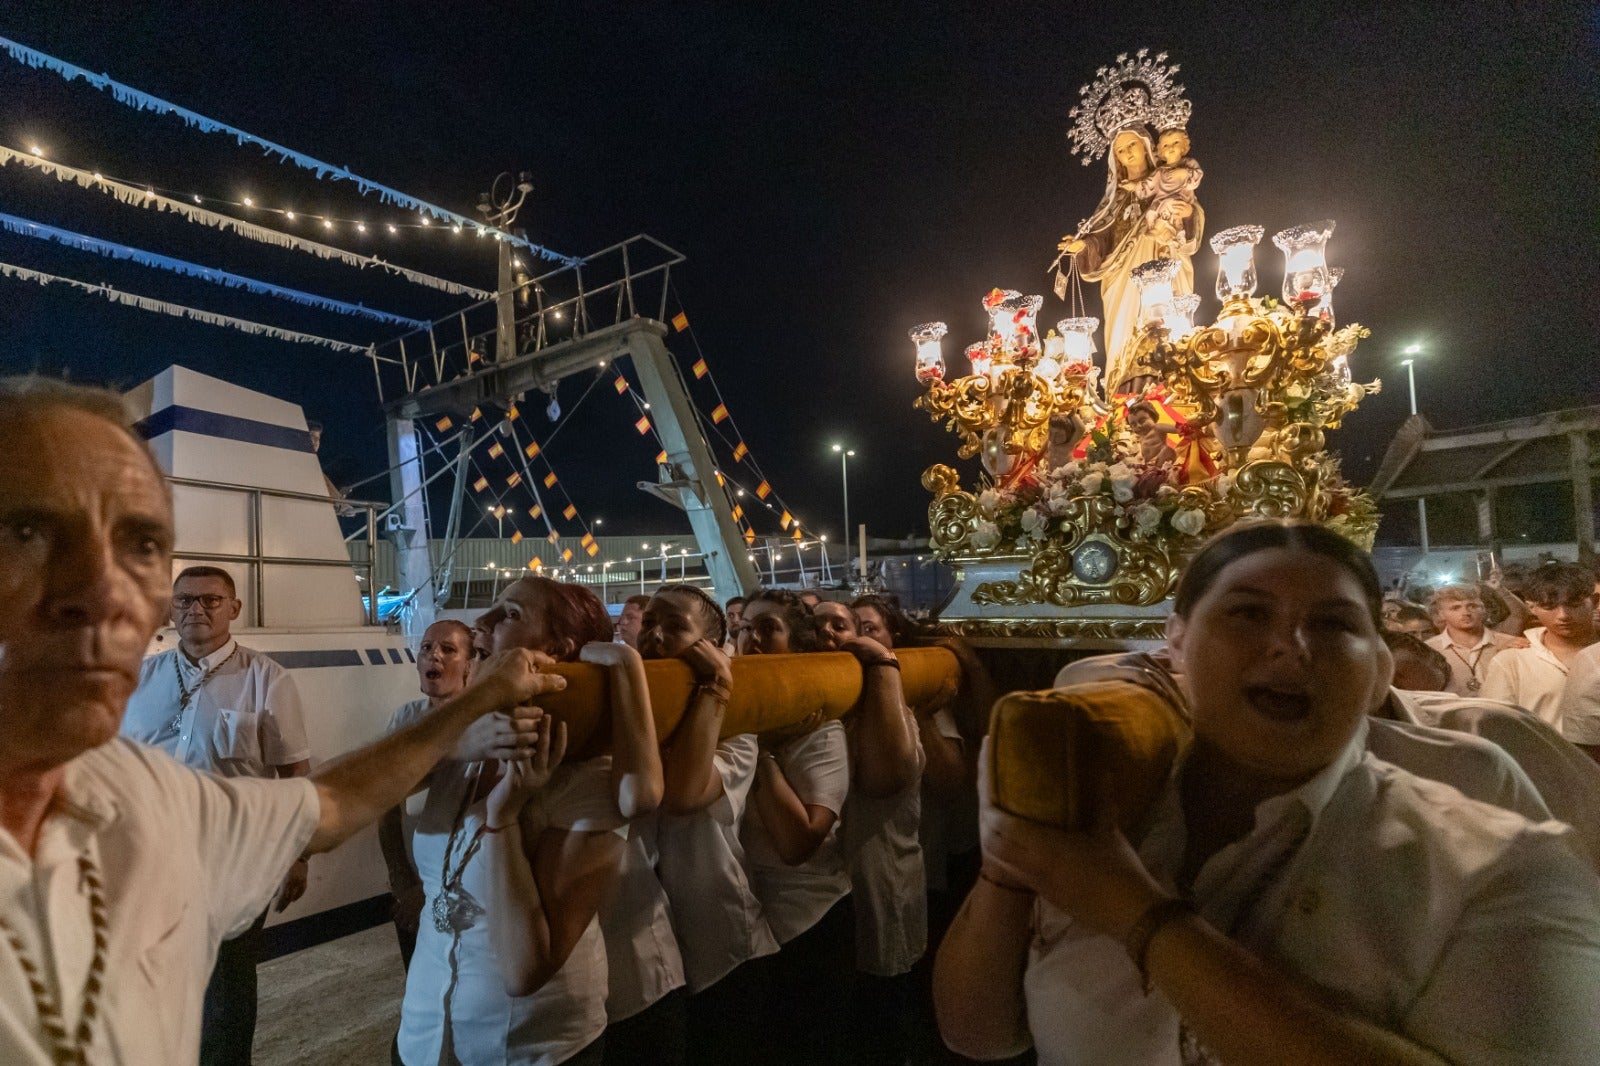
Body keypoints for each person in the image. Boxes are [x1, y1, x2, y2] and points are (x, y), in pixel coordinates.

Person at [0, 375, 563, 1065]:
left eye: (142, 544)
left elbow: (325, 799)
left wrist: (476, 701)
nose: (103, 590)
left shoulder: (147, 796)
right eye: (27, 530)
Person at [937, 521, 1600, 1065]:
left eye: (1334, 624)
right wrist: (1010, 870)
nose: (1290, 648)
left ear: (1380, 665)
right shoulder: (1104, 800)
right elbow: (981, 1036)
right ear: (1176, 642)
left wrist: (1134, 912)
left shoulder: (1494, 867)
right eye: (1248, 613)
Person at [395, 577, 639, 1066]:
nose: (480, 623)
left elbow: (525, 970)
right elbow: (367, 782)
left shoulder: (589, 776)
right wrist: (457, 743)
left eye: (508, 615)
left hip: (525, 1044)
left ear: (557, 649)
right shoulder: (460, 742)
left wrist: (503, 816)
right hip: (423, 1029)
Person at [120, 565, 313, 1065]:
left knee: (224, 992)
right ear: (170, 608)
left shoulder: (266, 680)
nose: (196, 610)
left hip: (234, 860)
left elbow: (294, 774)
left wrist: (297, 857)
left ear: (234, 609)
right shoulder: (142, 679)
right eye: (184, 601)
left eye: (210, 600)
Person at [641, 584, 778, 1065]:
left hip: (719, 945)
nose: (654, 635)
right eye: (647, 622)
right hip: (648, 959)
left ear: (712, 646)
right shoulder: (635, 714)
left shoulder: (738, 726)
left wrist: (717, 687)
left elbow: (681, 794)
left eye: (676, 626)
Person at [737, 590, 852, 1065]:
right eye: (744, 627)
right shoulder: (739, 712)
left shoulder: (821, 729)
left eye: (767, 628)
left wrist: (760, 752)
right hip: (751, 922)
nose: (751, 639)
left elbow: (797, 841)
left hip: (811, 918)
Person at [815, 600, 925, 1066]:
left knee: (882, 1025)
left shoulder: (889, 704)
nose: (830, 635)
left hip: (880, 887)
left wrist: (880, 664)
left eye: (846, 627)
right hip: (818, 907)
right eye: (815, 627)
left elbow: (889, 779)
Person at [380, 619, 524, 970]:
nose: (435, 657)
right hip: (414, 885)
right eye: (427, 648)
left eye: (448, 649)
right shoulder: (406, 719)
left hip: (469, 892)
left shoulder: (487, 725)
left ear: (471, 664)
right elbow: (387, 808)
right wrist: (404, 883)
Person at [1057, 126, 1204, 396]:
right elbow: (1102, 237)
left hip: (1162, 256)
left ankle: (1172, 387)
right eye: (1120, 151)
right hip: (1122, 277)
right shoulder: (1115, 198)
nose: (1127, 153)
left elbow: (1189, 210)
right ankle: (1122, 396)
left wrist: (1189, 213)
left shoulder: (1167, 179)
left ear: (1147, 147)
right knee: (1123, 335)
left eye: (1132, 146)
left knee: (1165, 325)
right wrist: (1083, 245)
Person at [1483, 562, 1598, 726]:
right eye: (1549, 607)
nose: (1563, 615)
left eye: (1574, 605)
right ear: (1531, 607)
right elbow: (1495, 724)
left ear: (1594, 601)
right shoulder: (1512, 661)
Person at [1424, 583, 1527, 695]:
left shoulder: (1508, 643)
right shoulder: (1430, 649)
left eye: (1472, 606)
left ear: (1483, 610)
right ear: (1441, 614)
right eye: (1455, 608)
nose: (1466, 613)